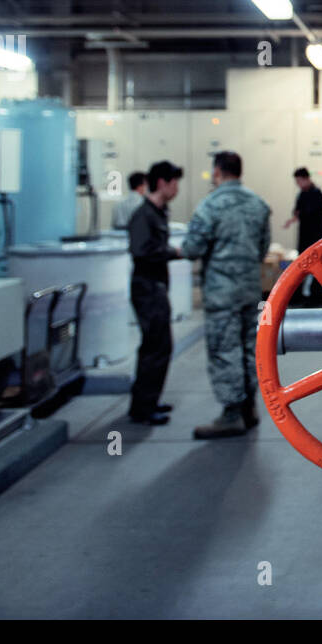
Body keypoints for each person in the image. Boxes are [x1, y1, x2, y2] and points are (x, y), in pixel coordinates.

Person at [183, 151, 272, 439]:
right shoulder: (258, 204)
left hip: (221, 294)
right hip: (249, 290)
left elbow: (192, 248)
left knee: (224, 350)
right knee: (249, 348)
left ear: (217, 171)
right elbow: (263, 247)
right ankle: (250, 408)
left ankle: (232, 414)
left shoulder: (210, 205)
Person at [126, 160, 184, 425]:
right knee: (155, 347)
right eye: (174, 182)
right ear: (162, 182)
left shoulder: (158, 213)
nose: (177, 188)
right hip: (147, 289)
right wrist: (174, 252)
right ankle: (142, 408)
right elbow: (140, 250)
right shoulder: (144, 215)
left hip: (156, 286)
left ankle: (148, 401)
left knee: (159, 345)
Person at [284, 166, 322, 305]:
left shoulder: (316, 193)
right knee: (302, 265)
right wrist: (293, 217)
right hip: (304, 236)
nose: (298, 184)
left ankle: (316, 296)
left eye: (299, 181)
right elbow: (297, 210)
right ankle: (299, 295)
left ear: (306, 179)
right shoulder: (301, 194)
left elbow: (310, 213)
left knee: (317, 266)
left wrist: (299, 214)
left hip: (316, 235)